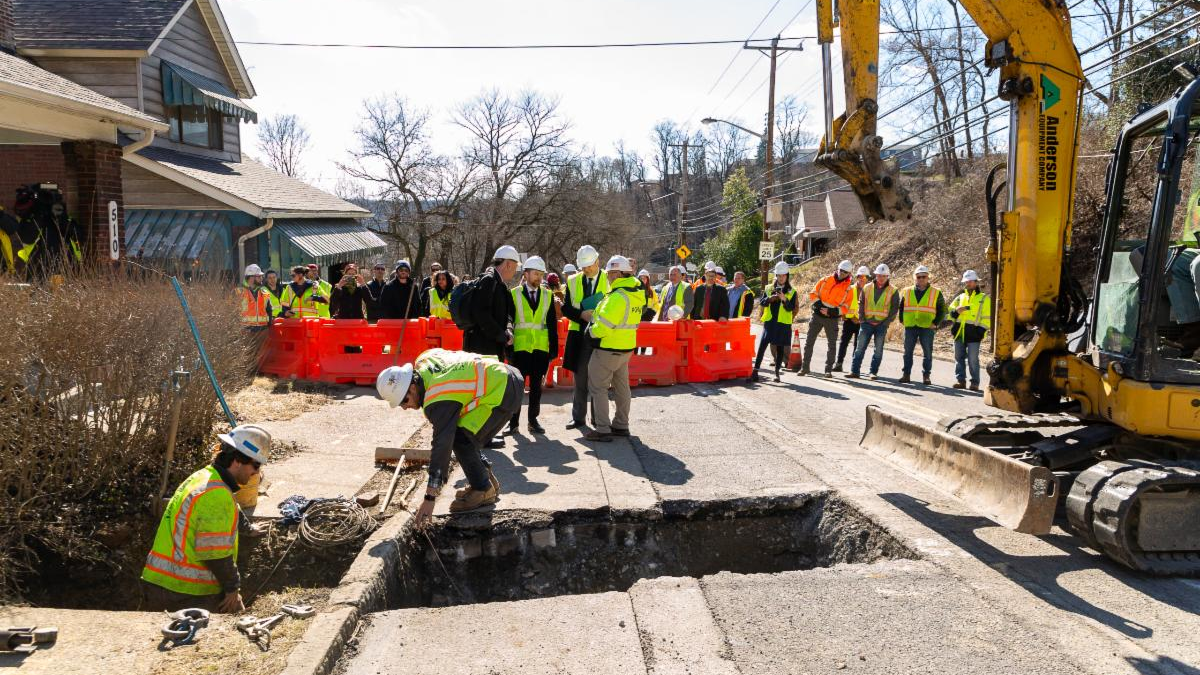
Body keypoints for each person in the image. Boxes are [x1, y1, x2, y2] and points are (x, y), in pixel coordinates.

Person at [376, 349, 523, 523]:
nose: (404, 407)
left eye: (404, 401)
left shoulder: (437, 398)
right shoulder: (424, 360)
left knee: (459, 439)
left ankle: (483, 489)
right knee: (464, 432)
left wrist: (430, 497)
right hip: (503, 375)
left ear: (413, 387)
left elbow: (442, 446)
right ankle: (484, 480)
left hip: (504, 390)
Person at [141, 425, 271, 613]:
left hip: (161, 582)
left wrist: (247, 528)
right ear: (237, 461)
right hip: (183, 591)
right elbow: (214, 552)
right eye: (256, 465)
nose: (256, 473)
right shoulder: (215, 495)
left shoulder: (205, 477)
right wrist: (233, 589)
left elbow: (228, 508)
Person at [583, 255, 645, 442]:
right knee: (622, 388)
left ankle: (602, 428)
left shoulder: (617, 297)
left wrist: (590, 332)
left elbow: (604, 326)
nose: (608, 277)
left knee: (598, 388)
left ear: (618, 274)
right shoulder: (634, 294)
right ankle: (621, 424)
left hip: (607, 349)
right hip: (625, 348)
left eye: (610, 274)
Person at [507, 256, 559, 434]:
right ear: (526, 274)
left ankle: (533, 421)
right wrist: (508, 350)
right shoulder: (513, 294)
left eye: (541, 274)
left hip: (540, 349)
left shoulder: (547, 295)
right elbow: (509, 322)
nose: (539, 277)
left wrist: (553, 348)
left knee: (537, 387)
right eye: (535, 274)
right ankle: (513, 422)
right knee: (517, 388)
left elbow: (552, 323)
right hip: (519, 349)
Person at [562, 245, 609, 429]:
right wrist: (581, 315)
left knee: (598, 380)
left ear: (597, 261)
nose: (586, 270)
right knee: (580, 378)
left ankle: (598, 419)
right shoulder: (572, 281)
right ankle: (578, 417)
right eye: (583, 267)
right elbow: (566, 308)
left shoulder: (609, 279)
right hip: (579, 336)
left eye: (589, 266)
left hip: (600, 335)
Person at [802, 260, 855, 376]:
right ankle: (805, 367)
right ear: (837, 269)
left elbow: (846, 307)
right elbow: (813, 293)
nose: (842, 273)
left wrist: (831, 312)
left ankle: (828, 370)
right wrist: (820, 307)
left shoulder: (849, 289)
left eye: (845, 272)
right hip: (817, 315)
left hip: (832, 319)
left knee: (832, 345)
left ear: (849, 274)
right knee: (809, 342)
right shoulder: (825, 280)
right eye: (841, 270)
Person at [847, 264, 900, 380]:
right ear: (875, 275)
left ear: (888, 276)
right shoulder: (867, 287)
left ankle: (873, 372)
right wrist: (862, 319)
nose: (881, 278)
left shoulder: (893, 290)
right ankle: (854, 371)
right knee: (860, 348)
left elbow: (894, 308)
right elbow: (861, 303)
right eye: (879, 276)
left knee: (878, 350)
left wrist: (886, 323)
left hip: (882, 325)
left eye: (884, 276)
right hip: (866, 323)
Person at [465, 245, 519, 358]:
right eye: (515, 267)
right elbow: (481, 313)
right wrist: (500, 335)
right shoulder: (489, 280)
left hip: (492, 347)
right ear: (508, 264)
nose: (515, 271)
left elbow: (507, 313)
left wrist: (508, 329)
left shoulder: (500, 284)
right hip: (481, 349)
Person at [899, 264, 946, 385]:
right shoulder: (907, 291)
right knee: (907, 352)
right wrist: (901, 319)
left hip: (927, 327)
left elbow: (942, 310)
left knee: (927, 353)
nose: (921, 279)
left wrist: (936, 323)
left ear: (928, 277)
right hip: (910, 326)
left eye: (924, 277)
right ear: (915, 278)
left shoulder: (936, 292)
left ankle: (926, 376)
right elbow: (901, 306)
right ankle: (906, 374)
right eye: (919, 277)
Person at [751, 261, 798, 382]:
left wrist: (784, 299)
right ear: (776, 276)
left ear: (787, 276)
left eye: (783, 275)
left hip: (783, 324)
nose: (781, 278)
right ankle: (755, 371)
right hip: (770, 323)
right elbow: (761, 302)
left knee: (780, 349)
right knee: (762, 346)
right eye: (779, 275)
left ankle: (777, 374)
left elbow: (791, 308)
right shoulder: (769, 288)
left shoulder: (792, 291)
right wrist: (769, 299)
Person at [948, 270, 991, 391]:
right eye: (966, 281)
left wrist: (980, 333)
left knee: (973, 360)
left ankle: (975, 383)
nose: (968, 283)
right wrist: (956, 311)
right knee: (958, 357)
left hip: (974, 334)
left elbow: (987, 319)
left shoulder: (984, 299)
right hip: (959, 332)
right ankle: (960, 381)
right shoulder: (960, 297)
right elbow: (949, 314)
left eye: (970, 281)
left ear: (976, 282)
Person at [834, 266, 872, 372]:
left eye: (864, 277)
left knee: (858, 345)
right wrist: (843, 315)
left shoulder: (870, 291)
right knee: (843, 343)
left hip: (862, 322)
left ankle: (854, 367)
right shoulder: (850, 289)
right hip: (849, 321)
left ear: (867, 279)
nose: (862, 279)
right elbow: (842, 303)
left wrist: (862, 319)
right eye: (860, 277)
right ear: (857, 277)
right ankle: (839, 364)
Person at [235, 264, 273, 330]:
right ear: (251, 277)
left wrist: (268, 324)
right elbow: (233, 312)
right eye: (259, 276)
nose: (261, 278)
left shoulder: (264, 292)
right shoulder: (238, 292)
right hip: (246, 330)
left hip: (262, 329)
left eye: (262, 276)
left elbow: (269, 310)